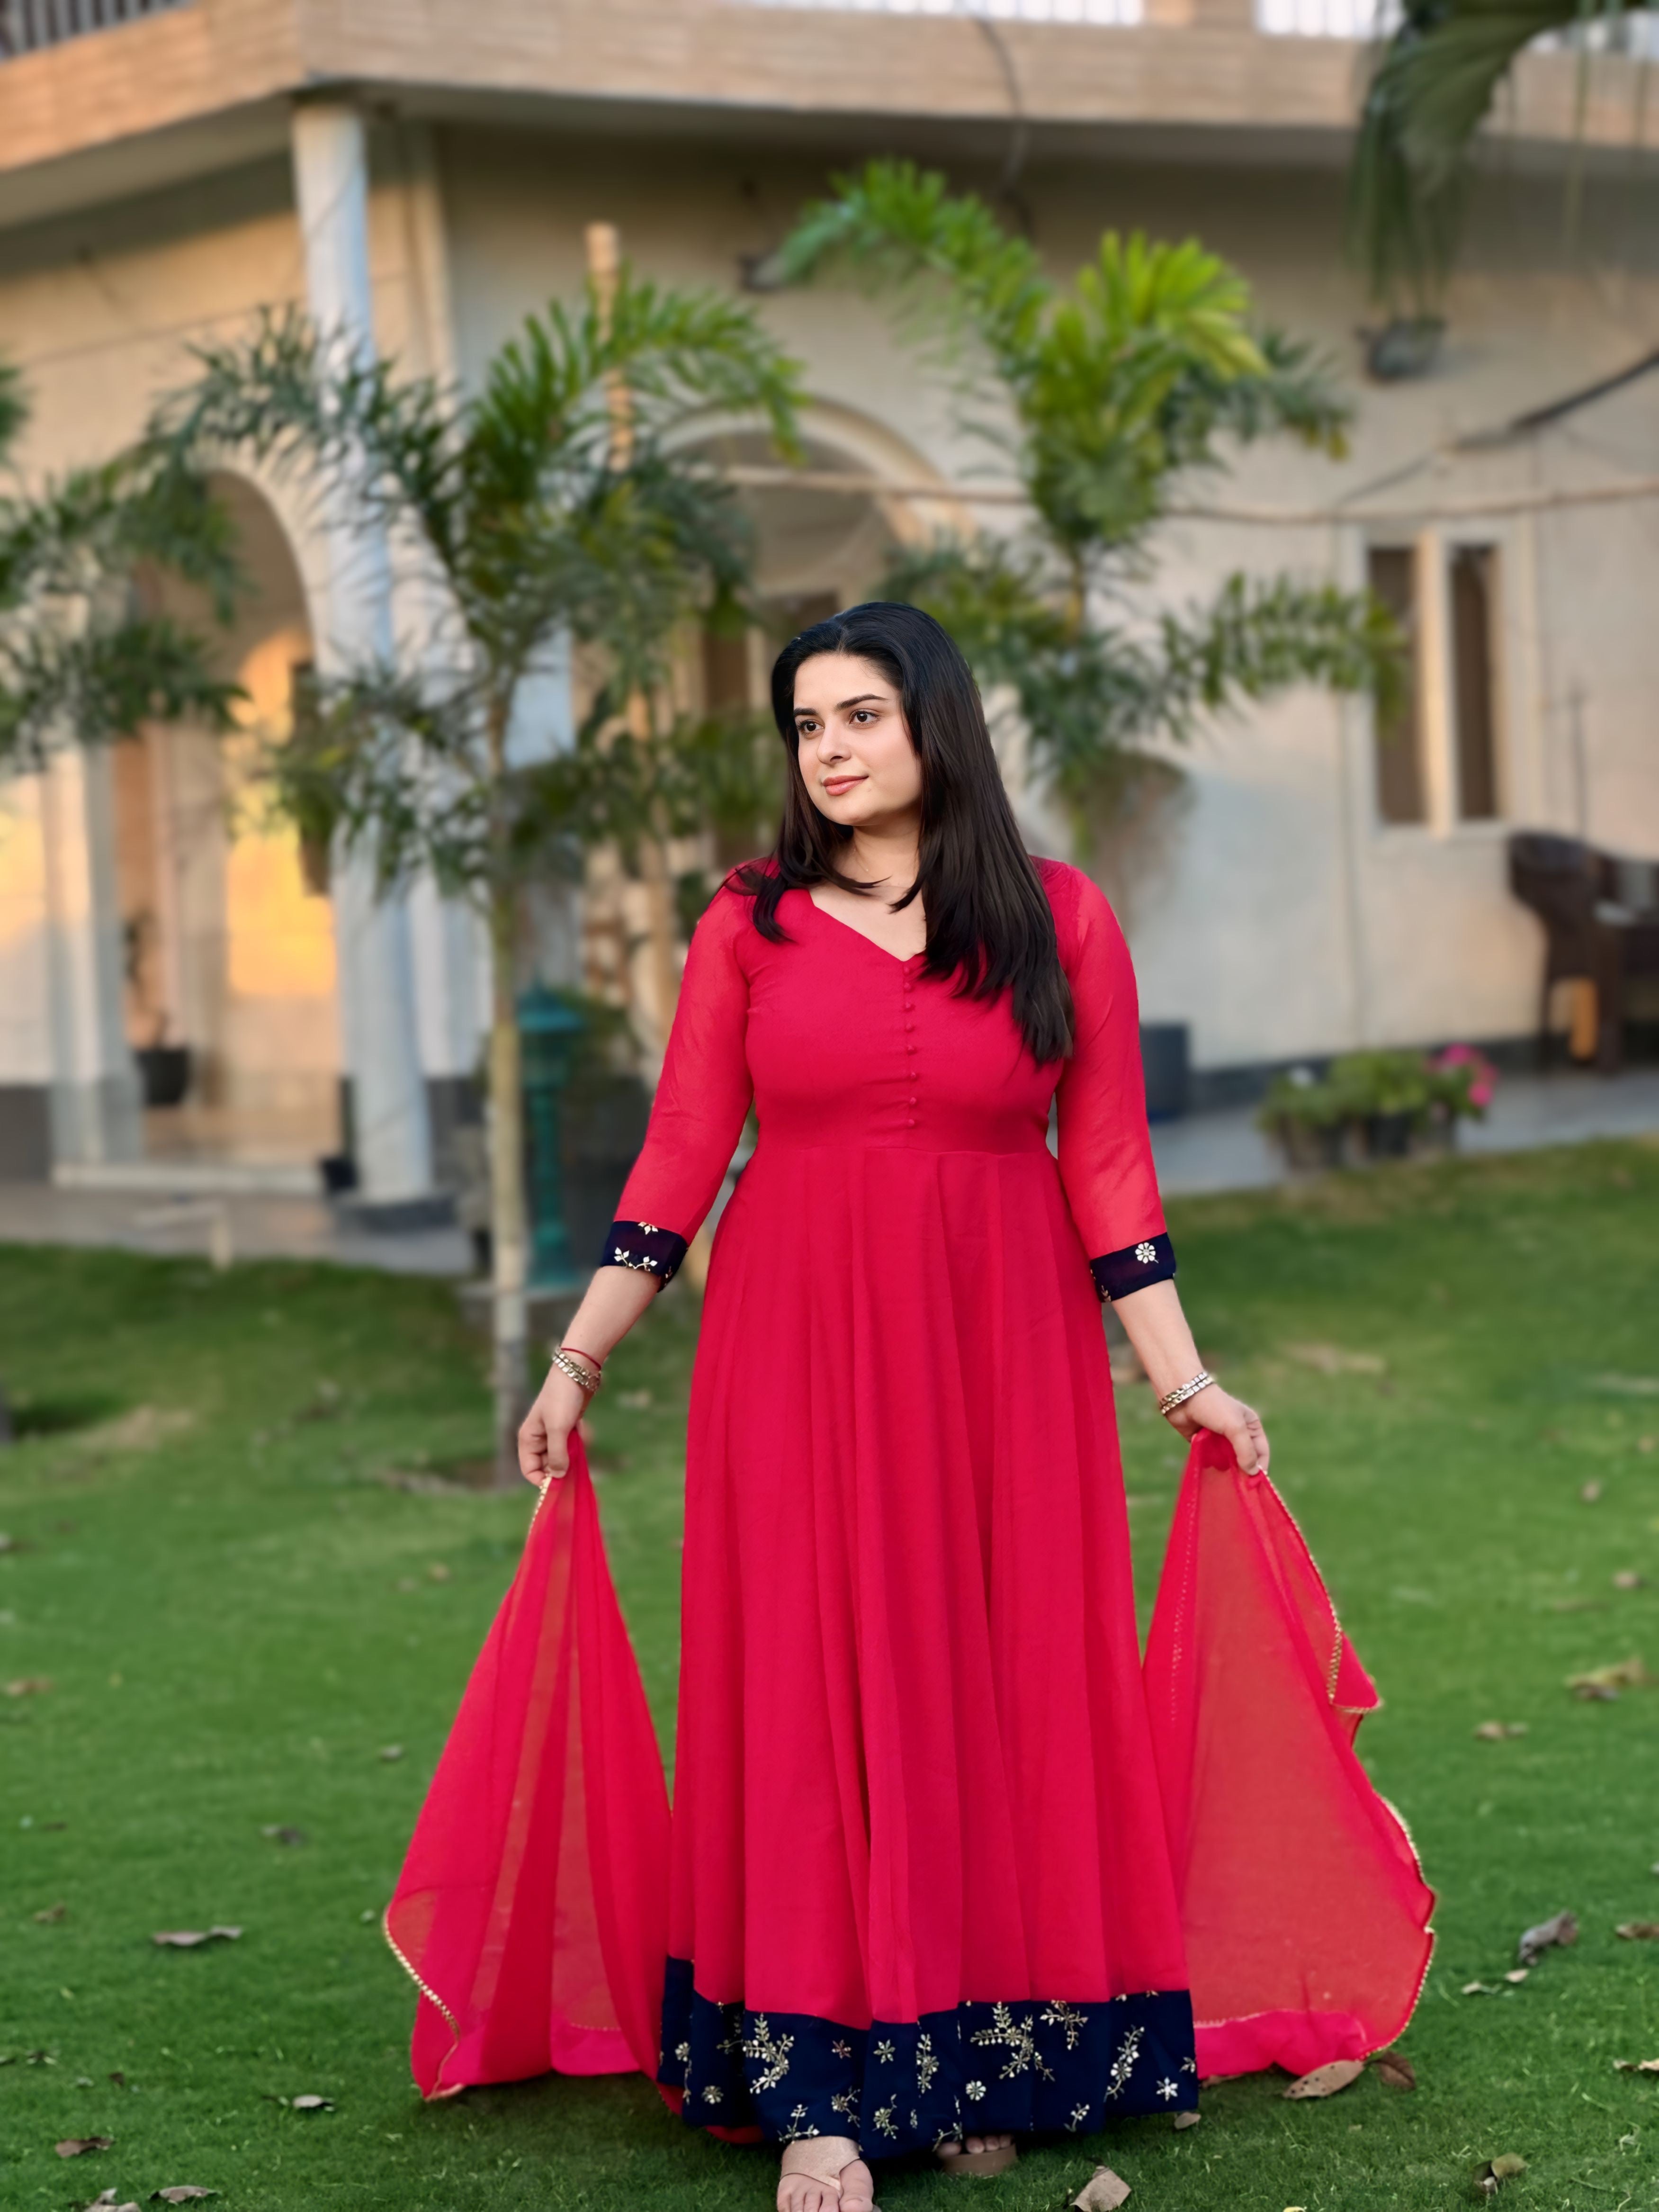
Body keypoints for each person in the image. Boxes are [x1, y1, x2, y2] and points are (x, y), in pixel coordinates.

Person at [515, 602, 1269, 2212]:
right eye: (807, 727)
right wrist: (579, 1360)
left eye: (861, 716)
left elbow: (1110, 1166)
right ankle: (823, 2094)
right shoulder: (749, 923)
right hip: (796, 1352)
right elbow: (676, 1159)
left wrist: (1183, 1377)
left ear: (936, 721)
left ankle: (975, 2051)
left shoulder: (1059, 919)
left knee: (986, 1675)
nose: (832, 751)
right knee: (808, 1679)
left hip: (1005, 1357)